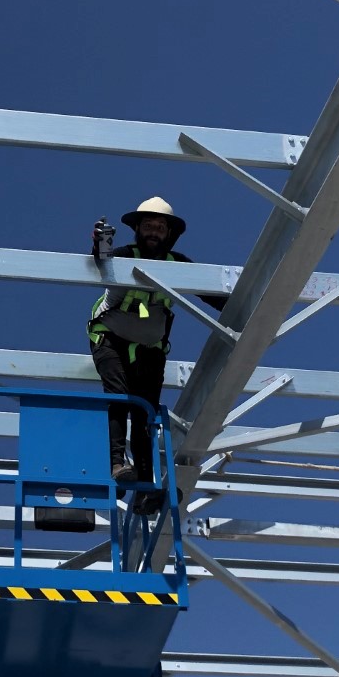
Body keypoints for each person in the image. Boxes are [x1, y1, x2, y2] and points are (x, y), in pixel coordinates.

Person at [87, 196, 229, 490]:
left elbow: (212, 295)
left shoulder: (178, 264)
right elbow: (103, 261)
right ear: (138, 229)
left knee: (145, 412)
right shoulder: (126, 255)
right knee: (119, 396)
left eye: (160, 228)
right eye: (148, 226)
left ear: (169, 234)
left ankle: (144, 486)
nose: (154, 232)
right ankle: (117, 463)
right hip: (109, 338)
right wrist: (101, 244)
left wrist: (250, 307)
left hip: (150, 349)